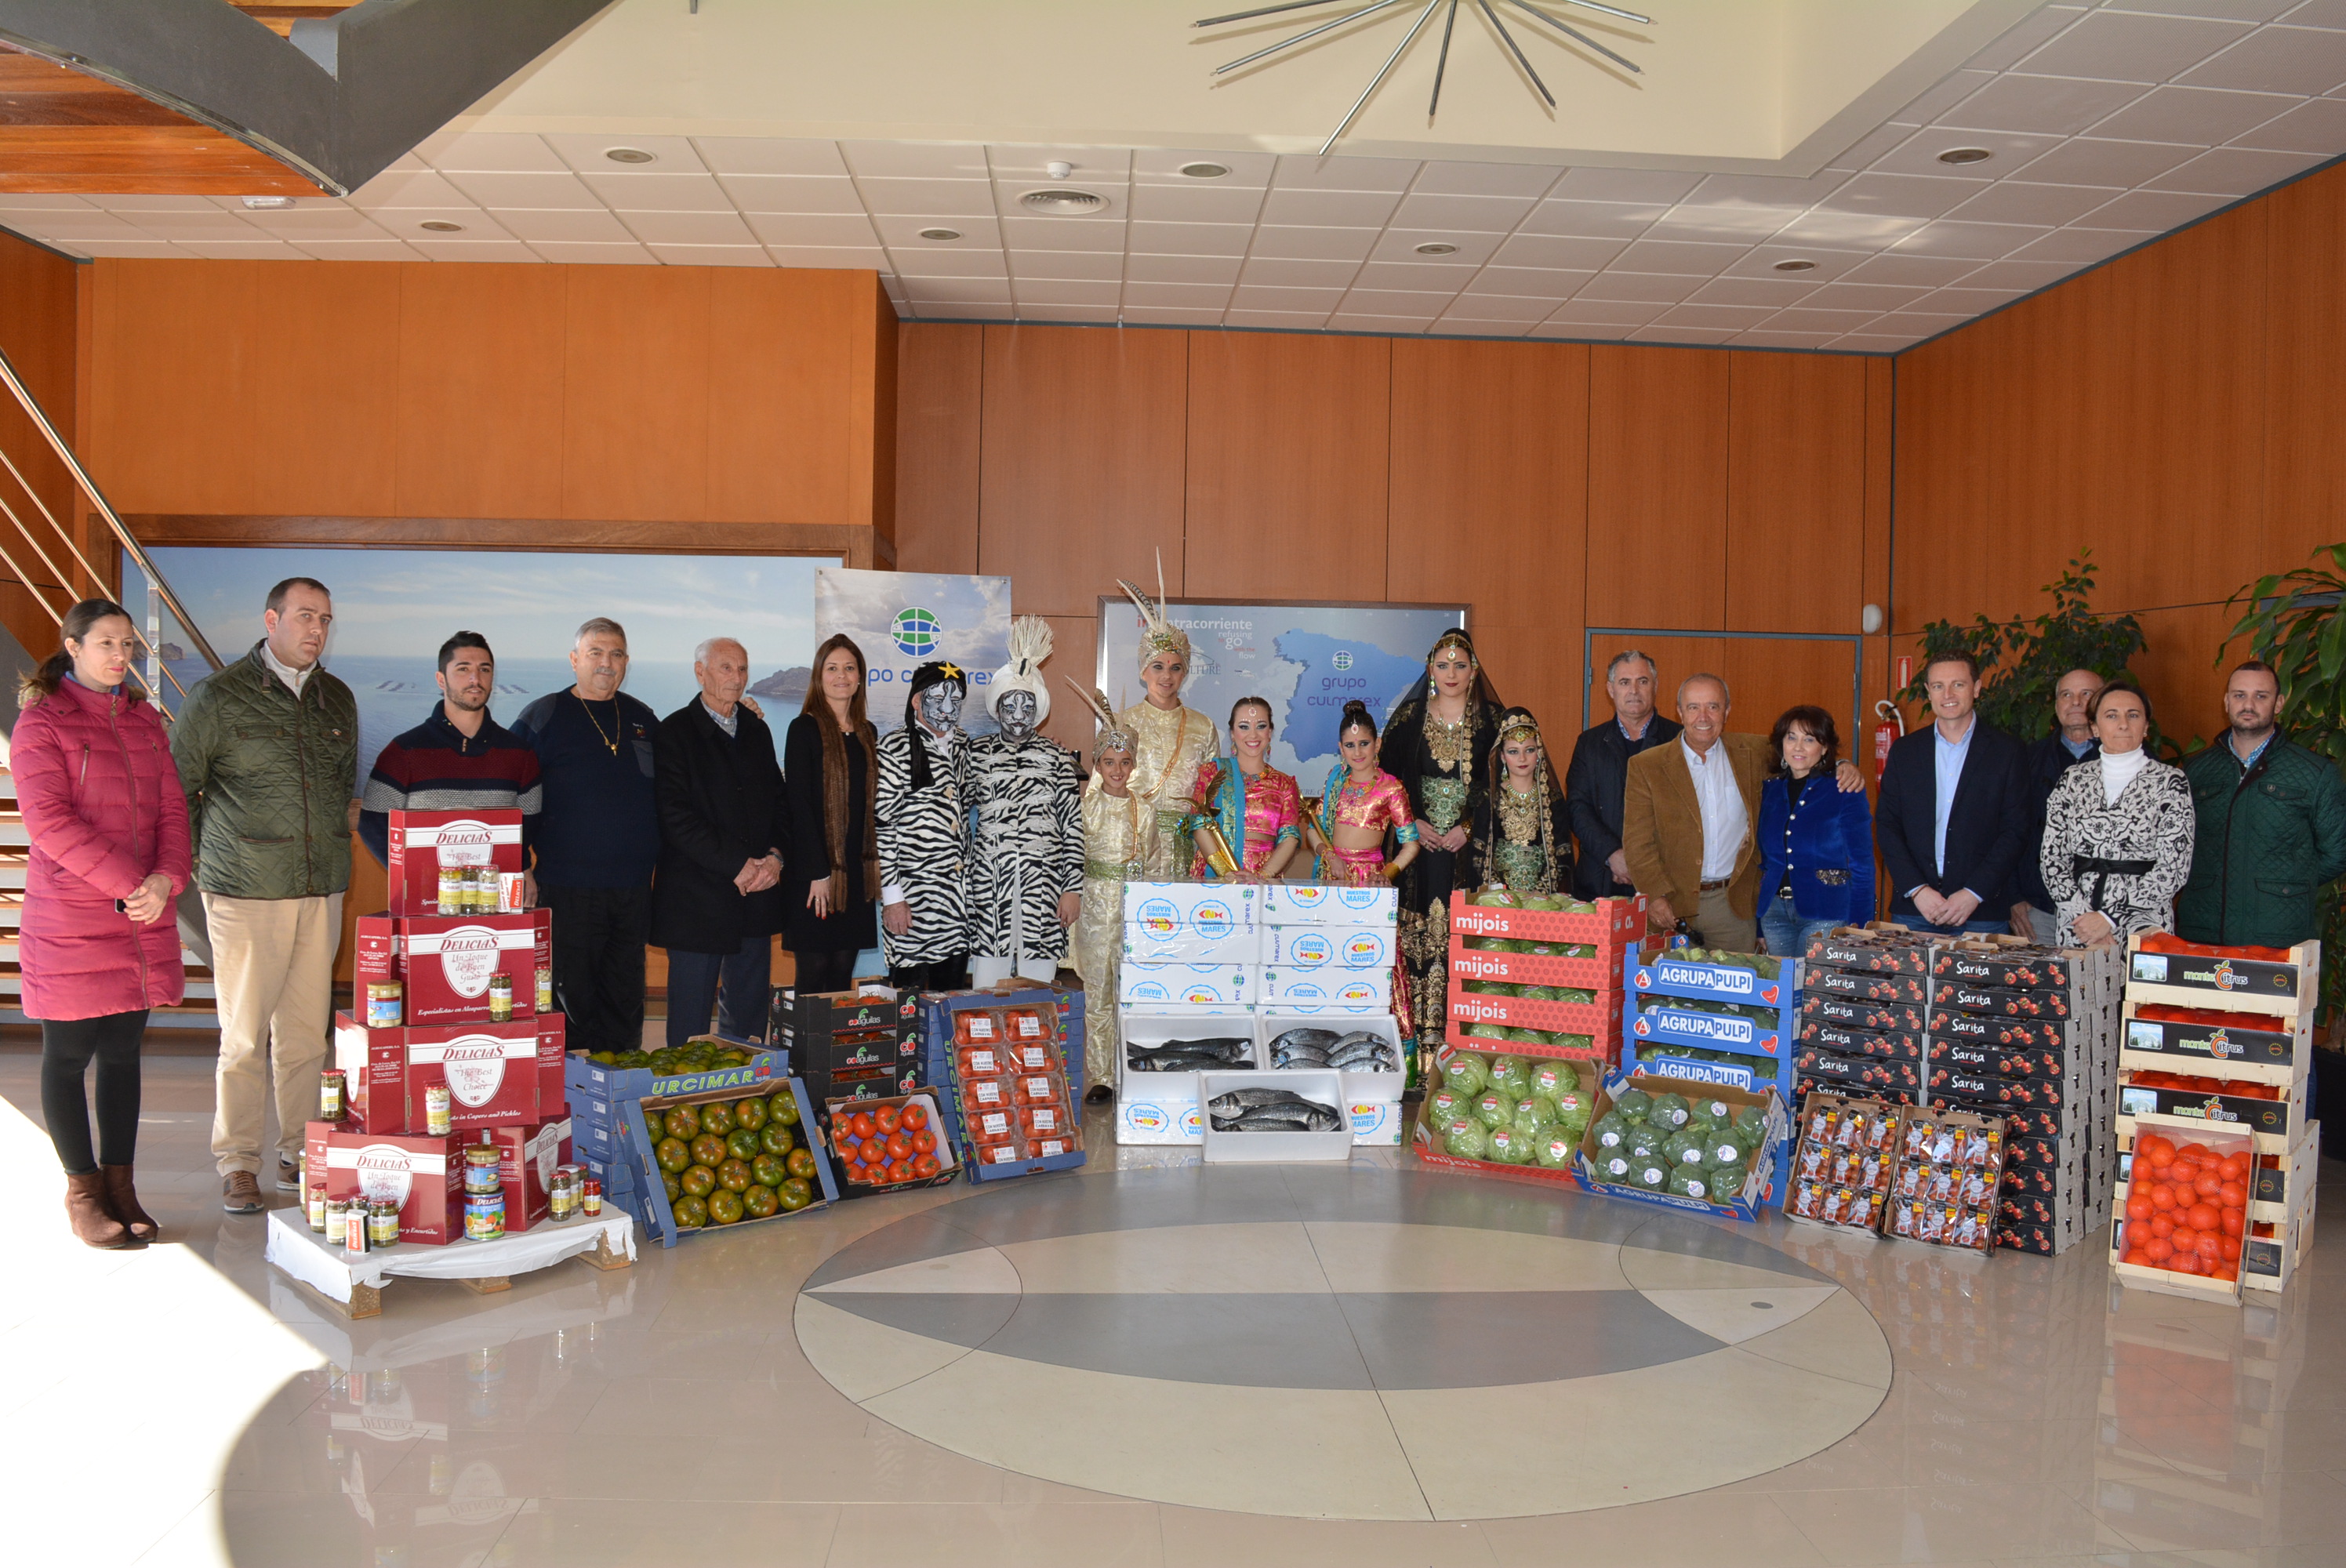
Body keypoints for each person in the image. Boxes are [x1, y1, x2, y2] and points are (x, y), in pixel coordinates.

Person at [170, 575, 359, 1213]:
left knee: (308, 1036)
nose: (317, 629)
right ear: (271, 619)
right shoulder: (217, 698)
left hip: (320, 889)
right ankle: (238, 1160)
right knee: (246, 1035)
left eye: (326, 620)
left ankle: (299, 1153)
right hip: (245, 892)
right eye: (305, 616)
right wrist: (210, 868)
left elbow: (338, 790)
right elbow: (178, 794)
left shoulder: (337, 699)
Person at [16, 600, 191, 1247]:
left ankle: (122, 1186)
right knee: (67, 1057)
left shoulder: (145, 721)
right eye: (107, 644)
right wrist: (131, 886)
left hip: (142, 915)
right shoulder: (42, 723)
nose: (121, 656)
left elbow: (175, 811)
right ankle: (84, 1190)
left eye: (128, 646)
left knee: (122, 1055)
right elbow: (50, 824)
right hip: (72, 918)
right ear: (73, 646)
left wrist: (165, 881)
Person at [510, 618, 661, 1058]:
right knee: (570, 999)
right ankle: (573, 1100)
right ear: (575, 659)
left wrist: (740, 713)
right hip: (565, 885)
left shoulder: (641, 718)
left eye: (616, 654)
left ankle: (620, 1092)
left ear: (627, 662)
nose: (606, 663)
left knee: (625, 996)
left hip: (632, 889)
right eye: (595, 653)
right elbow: (513, 797)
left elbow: (683, 775)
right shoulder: (543, 716)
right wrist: (521, 865)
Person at [650, 637, 786, 1047]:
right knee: (689, 1027)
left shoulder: (757, 730)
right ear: (700, 672)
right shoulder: (673, 732)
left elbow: (780, 803)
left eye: (743, 669)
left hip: (756, 897)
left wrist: (777, 858)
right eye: (726, 668)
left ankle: (744, 1095)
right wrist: (740, 865)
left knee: (747, 1024)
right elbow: (676, 817)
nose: (737, 677)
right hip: (696, 902)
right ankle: (678, 1102)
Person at [1381, 628, 1505, 1049]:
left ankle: (1466, 1038)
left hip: (1468, 852)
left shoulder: (1493, 722)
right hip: (1417, 847)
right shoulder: (1409, 718)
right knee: (1417, 932)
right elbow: (1388, 780)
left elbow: (1504, 784)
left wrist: (1466, 827)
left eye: (1461, 665)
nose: (1451, 673)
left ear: (1474, 671)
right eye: (1443, 665)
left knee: (1464, 929)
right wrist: (1413, 821)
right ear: (1430, 670)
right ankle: (1414, 1035)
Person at [2177, 660, 2346, 949]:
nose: (2249, 704)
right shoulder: (2194, 771)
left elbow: (2338, 851)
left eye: (2261, 696)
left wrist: (2286, 885)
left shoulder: (2315, 773)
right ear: (2227, 701)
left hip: (2278, 933)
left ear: (2279, 703)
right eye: (2240, 695)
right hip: (2201, 930)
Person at [1876, 652, 2032, 938]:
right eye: (1938, 686)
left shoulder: (2007, 752)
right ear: (1928, 692)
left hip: (1981, 912)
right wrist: (1918, 890)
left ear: (1976, 688)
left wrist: (1974, 892)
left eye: (1958, 684)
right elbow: (1887, 824)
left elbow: (2016, 830)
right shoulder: (1905, 751)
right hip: (1915, 910)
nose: (1947, 694)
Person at [358, 631, 542, 869]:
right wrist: (411, 876)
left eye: (484, 670)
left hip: (494, 899)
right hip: (422, 900)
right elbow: (372, 823)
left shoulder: (519, 754)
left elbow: (527, 827)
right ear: (441, 679)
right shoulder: (404, 751)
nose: (475, 679)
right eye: (463, 669)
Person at [968, 618, 1084, 985]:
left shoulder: (1057, 758)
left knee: (1038, 989)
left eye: (1027, 705)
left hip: (1045, 887)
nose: (1018, 715)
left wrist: (1072, 889)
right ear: (997, 706)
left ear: (1039, 708)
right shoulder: (977, 754)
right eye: (1010, 705)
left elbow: (1073, 827)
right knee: (986, 987)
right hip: (989, 887)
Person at [1622, 674, 1774, 952]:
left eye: (1713, 707)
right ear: (1680, 712)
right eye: (1693, 707)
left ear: (1727, 712)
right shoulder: (1647, 766)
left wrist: (1843, 765)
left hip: (1733, 908)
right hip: (1671, 907)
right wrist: (1654, 896)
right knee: (1666, 994)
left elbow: (1806, 752)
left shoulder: (1756, 752)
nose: (1703, 717)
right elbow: (1637, 843)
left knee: (1731, 993)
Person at [2039, 682, 2194, 946]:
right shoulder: (2073, 780)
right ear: (2095, 727)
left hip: (2145, 925)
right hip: (2078, 924)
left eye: (2133, 715)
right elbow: (2052, 860)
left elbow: (2174, 869)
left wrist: (2108, 919)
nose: (2123, 724)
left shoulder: (2171, 782)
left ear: (2146, 726)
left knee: (2140, 989)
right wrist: (2086, 920)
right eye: (2111, 715)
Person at [783, 634, 879, 996]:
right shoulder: (803, 728)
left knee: (842, 967)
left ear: (859, 677)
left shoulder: (868, 733)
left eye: (850, 668)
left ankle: (836, 1051)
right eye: (833, 668)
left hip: (856, 872)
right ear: (819, 677)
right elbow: (799, 806)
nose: (842, 676)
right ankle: (803, 1054)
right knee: (814, 968)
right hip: (816, 874)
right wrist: (817, 873)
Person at [1113, 561, 1219, 879]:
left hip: (1188, 849)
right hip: (1132, 846)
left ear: (1185, 672)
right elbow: (1100, 793)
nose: (1166, 676)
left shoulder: (1203, 727)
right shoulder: (1122, 724)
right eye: (1157, 666)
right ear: (1143, 671)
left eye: (1175, 667)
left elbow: (1211, 799)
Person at [877, 660, 975, 990]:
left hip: (957, 902)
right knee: (911, 1006)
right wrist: (892, 898)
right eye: (937, 699)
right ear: (917, 701)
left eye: (956, 700)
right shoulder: (894, 748)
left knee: (952, 1003)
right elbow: (883, 827)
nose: (947, 709)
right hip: (913, 900)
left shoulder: (963, 744)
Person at [1067, 684, 1143, 1103]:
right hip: (1095, 909)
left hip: (1135, 911)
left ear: (1134, 765)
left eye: (1125, 762)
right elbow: (1071, 858)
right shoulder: (1083, 807)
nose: (1117, 769)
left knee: (1130, 993)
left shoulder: (1145, 810)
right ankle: (1100, 1076)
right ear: (1097, 764)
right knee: (1096, 993)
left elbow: (1155, 865)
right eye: (1109, 762)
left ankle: (1133, 1068)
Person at [1756, 706, 1876, 958]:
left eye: (1809, 739)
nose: (1798, 747)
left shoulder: (1844, 789)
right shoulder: (1770, 790)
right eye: (1792, 737)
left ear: (1824, 748)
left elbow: (1862, 864)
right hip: (1774, 914)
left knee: (1814, 991)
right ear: (1782, 744)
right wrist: (1759, 923)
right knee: (1782, 991)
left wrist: (1860, 926)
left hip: (1827, 913)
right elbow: (1766, 863)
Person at [1563, 652, 1681, 899]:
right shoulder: (1589, 743)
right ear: (1610, 689)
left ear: (1656, 686)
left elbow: (1685, 816)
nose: (1634, 690)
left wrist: (1642, 863)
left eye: (1643, 681)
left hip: (1664, 883)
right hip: (1599, 880)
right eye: (1625, 682)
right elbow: (1577, 808)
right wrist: (1613, 854)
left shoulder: (1679, 741)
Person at [2015, 667, 2104, 944]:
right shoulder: (2027, 760)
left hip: (2105, 915)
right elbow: (2009, 829)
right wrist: (2014, 897)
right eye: (2067, 695)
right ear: (2056, 706)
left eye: (2086, 694)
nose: (2076, 702)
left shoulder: (2132, 762)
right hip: (2040, 911)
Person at [1189, 697, 1305, 880]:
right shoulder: (1212, 773)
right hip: (1215, 873)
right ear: (1233, 733)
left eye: (1261, 726)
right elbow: (1198, 825)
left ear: (1270, 732)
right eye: (1244, 726)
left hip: (1264, 875)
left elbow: (1290, 837)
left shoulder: (1284, 784)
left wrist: (1263, 875)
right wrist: (1225, 872)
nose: (1253, 735)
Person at [1311, 699, 1419, 887]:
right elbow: (1314, 831)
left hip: (1370, 879)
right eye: (1350, 745)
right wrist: (1329, 856)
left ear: (1377, 745)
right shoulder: (1335, 780)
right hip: (1332, 874)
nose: (1358, 752)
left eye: (1364, 743)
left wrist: (1388, 873)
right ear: (1341, 748)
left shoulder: (1391, 788)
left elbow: (1411, 844)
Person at [1465, 706, 1571, 896]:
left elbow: (1562, 856)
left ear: (1539, 753)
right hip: (1498, 901)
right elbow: (1479, 856)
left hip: (1543, 902)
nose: (1522, 758)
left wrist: (1539, 894)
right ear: (1503, 756)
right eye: (1514, 752)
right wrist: (1500, 893)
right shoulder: (1489, 800)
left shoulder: (1552, 800)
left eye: (1529, 750)